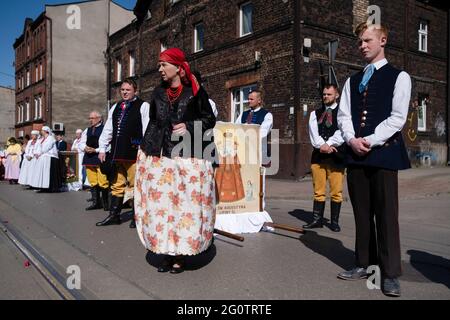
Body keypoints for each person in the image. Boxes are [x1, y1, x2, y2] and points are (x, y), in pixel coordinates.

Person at [337, 22, 411, 297]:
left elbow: (397, 117)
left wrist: (370, 139)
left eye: (368, 40)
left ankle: (390, 273)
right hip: (356, 155)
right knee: (362, 213)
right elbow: (343, 115)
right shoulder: (352, 80)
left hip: (384, 153)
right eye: (360, 42)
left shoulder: (399, 76)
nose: (362, 46)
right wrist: (351, 140)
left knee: (387, 215)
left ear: (383, 41)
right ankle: (362, 262)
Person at [136, 48, 216, 274]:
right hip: (161, 157)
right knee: (162, 206)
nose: (160, 69)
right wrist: (145, 150)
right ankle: (165, 251)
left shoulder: (195, 91)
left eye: (164, 65)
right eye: (159, 65)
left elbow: (209, 120)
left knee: (183, 207)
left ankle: (180, 254)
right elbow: (153, 122)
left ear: (178, 68)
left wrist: (189, 127)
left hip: (187, 156)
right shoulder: (158, 93)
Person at [97, 78, 150, 228]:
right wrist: (102, 148)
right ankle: (114, 215)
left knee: (135, 184)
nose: (125, 92)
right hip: (116, 151)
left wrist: (143, 150)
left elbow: (147, 129)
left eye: (128, 90)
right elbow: (108, 129)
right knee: (116, 184)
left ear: (135, 91)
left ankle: (136, 217)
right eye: (123, 90)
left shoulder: (143, 105)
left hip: (134, 151)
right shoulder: (115, 107)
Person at [304, 84, 345, 232]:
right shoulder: (315, 113)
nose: (325, 97)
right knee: (318, 190)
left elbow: (343, 131)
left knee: (336, 191)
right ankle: (317, 220)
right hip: (318, 156)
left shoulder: (343, 112)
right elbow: (313, 132)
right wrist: (322, 145)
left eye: (329, 94)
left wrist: (329, 144)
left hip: (336, 156)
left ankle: (334, 222)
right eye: (324, 94)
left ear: (337, 95)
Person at [81, 111, 110, 211]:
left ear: (99, 119)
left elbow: (108, 144)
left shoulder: (105, 129)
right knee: (93, 181)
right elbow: (81, 142)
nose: (90, 120)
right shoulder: (87, 130)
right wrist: (85, 148)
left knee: (103, 181)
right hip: (89, 157)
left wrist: (96, 150)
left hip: (99, 157)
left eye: (92, 118)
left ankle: (106, 203)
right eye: (89, 118)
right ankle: (96, 202)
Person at [31, 126, 62, 193]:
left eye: (42, 130)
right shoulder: (42, 139)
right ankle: (43, 186)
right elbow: (39, 147)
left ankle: (51, 187)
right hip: (44, 157)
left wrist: (40, 153)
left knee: (50, 174)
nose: (41, 131)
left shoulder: (51, 138)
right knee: (43, 173)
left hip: (51, 157)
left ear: (45, 131)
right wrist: (37, 153)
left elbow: (47, 147)